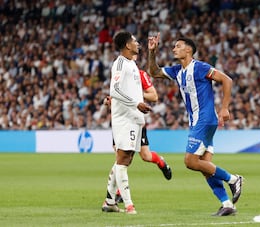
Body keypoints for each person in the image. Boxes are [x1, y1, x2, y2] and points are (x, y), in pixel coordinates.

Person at [147, 34, 243, 216]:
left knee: (190, 161)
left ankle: (234, 179)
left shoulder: (200, 68)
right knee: (205, 166)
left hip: (205, 119)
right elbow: (154, 72)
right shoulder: (177, 71)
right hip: (197, 122)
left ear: (188, 50)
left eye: (178, 46)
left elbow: (227, 80)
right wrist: (152, 52)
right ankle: (227, 204)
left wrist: (224, 108)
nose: (174, 49)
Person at [102, 66, 172, 206]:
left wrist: (137, 95)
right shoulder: (118, 76)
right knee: (120, 157)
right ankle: (118, 194)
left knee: (145, 156)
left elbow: (154, 96)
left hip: (135, 121)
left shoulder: (140, 75)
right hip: (120, 123)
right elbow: (113, 97)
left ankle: (161, 162)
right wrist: (108, 101)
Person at [101, 31, 152, 215]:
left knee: (127, 159)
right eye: (134, 41)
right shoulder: (120, 63)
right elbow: (114, 90)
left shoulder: (132, 63)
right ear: (127, 45)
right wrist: (135, 103)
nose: (138, 43)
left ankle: (109, 201)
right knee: (123, 159)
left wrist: (138, 107)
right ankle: (129, 205)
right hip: (124, 117)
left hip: (134, 117)